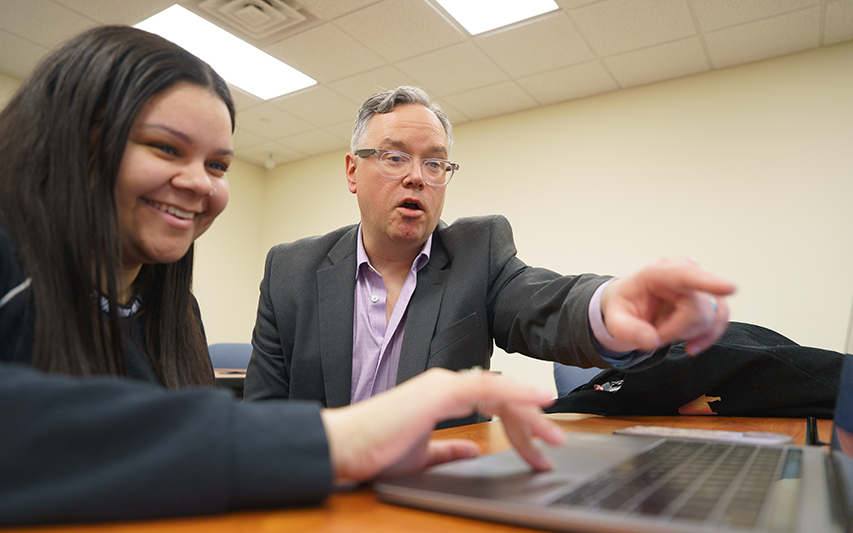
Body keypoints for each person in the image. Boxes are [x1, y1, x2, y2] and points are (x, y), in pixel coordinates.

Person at [0, 26, 565, 525]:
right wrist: (337, 442)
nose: (201, 183)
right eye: (166, 148)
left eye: (218, 164)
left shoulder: (170, 307)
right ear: (75, 142)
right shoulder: (12, 263)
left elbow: (172, 455)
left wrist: (607, 306)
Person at [244, 86, 736, 426]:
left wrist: (610, 304)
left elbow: (542, 303)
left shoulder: (476, 255)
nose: (417, 176)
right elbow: (260, 419)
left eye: (434, 162)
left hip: (434, 493)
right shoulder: (289, 271)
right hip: (314, 493)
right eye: (395, 157)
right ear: (353, 171)